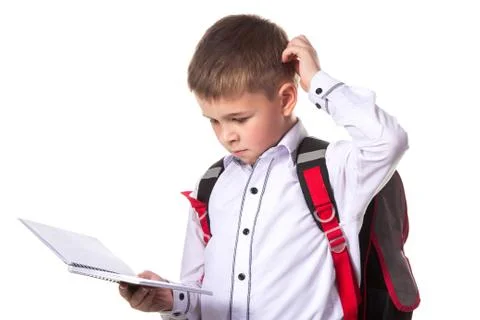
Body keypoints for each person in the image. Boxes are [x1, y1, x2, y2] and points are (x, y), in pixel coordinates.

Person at [119, 14, 409, 319]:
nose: (226, 135)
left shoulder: (333, 171)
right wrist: (171, 301)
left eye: (239, 119)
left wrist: (317, 81)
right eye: (214, 121)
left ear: (285, 99)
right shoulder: (211, 185)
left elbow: (388, 141)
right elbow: (198, 298)